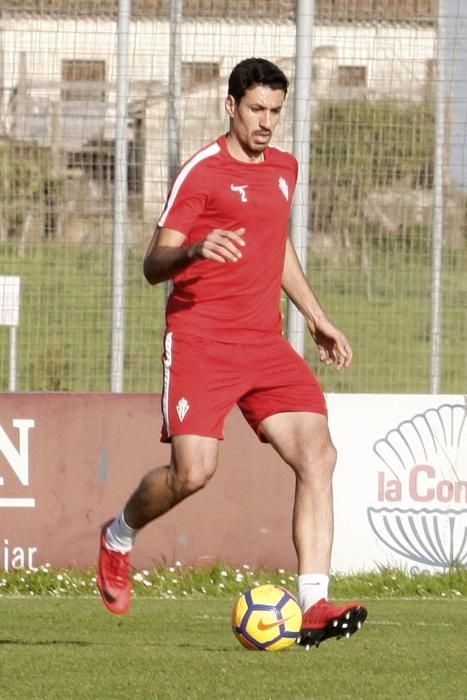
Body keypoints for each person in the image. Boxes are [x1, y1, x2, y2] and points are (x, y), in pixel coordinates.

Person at [97, 57, 367, 649]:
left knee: (318, 455)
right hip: (201, 341)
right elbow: (152, 265)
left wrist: (316, 317)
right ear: (231, 106)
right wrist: (195, 250)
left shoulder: (284, 170)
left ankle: (313, 602)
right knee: (193, 473)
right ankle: (118, 536)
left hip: (264, 344)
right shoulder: (202, 172)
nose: (267, 122)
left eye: (276, 111)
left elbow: (279, 246)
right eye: (256, 110)